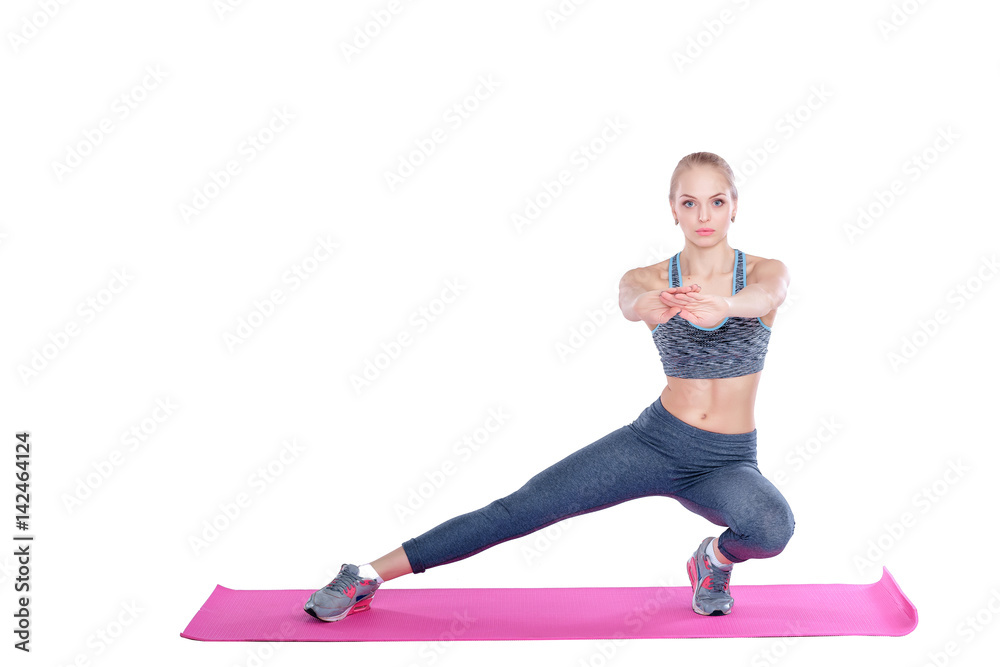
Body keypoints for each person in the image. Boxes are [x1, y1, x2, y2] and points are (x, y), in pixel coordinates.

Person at [304, 151, 795, 621]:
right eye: (689, 202)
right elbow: (631, 301)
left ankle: (714, 561)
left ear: (734, 206)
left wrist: (724, 306)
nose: (703, 214)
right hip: (656, 441)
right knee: (521, 510)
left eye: (717, 201)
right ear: (673, 210)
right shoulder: (648, 278)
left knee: (772, 528)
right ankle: (365, 574)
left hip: (726, 461)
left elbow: (765, 295)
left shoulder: (761, 272)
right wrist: (651, 304)